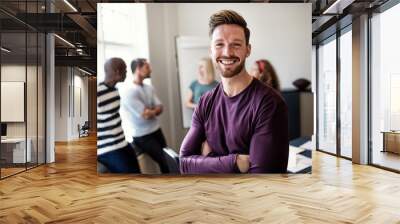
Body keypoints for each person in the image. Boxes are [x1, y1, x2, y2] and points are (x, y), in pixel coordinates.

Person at [179, 10, 289, 174]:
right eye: (219, 44)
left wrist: (208, 159)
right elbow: (184, 163)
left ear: (248, 50)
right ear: (211, 50)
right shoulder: (205, 102)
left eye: (236, 44)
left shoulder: (269, 103)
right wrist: (234, 162)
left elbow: (262, 178)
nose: (227, 52)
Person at [119, 58, 170, 174]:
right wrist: (153, 110)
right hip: (142, 136)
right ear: (138, 69)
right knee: (164, 161)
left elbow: (160, 107)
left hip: (156, 130)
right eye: (147, 67)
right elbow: (145, 115)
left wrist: (151, 111)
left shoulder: (149, 88)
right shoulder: (129, 91)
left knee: (167, 159)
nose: (150, 70)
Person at [97, 58, 140, 173]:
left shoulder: (115, 90)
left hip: (122, 143)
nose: (127, 72)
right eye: (125, 70)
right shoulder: (97, 92)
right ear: (117, 72)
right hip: (108, 149)